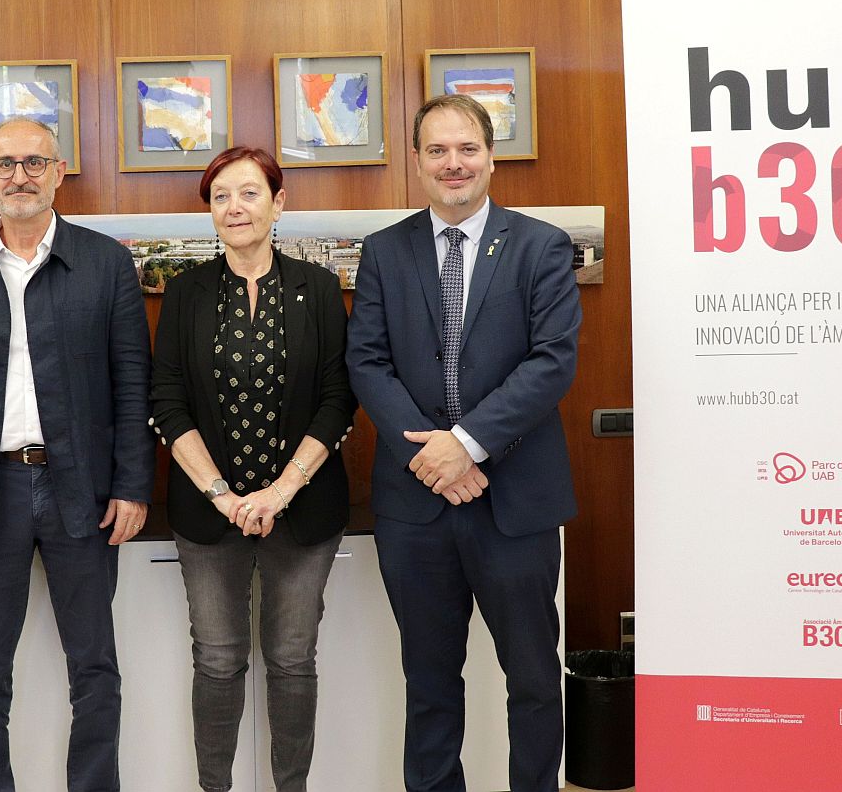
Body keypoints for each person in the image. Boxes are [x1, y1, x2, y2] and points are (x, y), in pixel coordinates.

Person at [0, 116, 155, 792]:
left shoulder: (104, 264)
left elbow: (133, 386)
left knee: (95, 667)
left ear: (59, 171)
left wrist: (133, 486)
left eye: (34, 162)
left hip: (85, 490)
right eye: (5, 165)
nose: (20, 176)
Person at [345, 94, 581, 792]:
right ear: (417, 162)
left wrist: (467, 445)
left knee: (534, 680)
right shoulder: (385, 252)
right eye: (437, 151)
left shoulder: (540, 245)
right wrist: (436, 458)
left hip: (516, 502)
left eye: (466, 148)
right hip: (416, 508)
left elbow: (551, 362)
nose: (454, 164)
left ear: (490, 156)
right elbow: (367, 362)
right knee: (429, 682)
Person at [147, 146, 354, 792]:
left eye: (248, 193)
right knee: (216, 660)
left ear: (278, 203)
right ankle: (216, 788)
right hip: (209, 514)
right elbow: (166, 400)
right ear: (209, 213)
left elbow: (337, 398)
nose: (234, 208)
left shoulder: (317, 289)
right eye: (220, 197)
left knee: (292, 660)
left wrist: (280, 490)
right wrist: (219, 494)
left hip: (303, 509)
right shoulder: (184, 293)